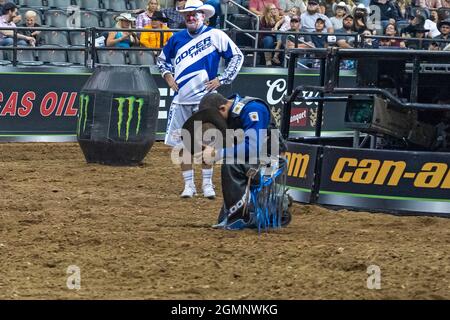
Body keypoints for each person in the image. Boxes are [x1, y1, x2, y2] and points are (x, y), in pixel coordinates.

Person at [157, 0, 244, 199]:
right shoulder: (176, 38)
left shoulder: (216, 35)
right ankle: (189, 184)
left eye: (195, 13)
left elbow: (237, 56)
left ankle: (207, 183)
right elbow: (161, 60)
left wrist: (222, 79)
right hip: (181, 100)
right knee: (182, 144)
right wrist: (168, 77)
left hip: (206, 102)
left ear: (203, 15)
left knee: (209, 142)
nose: (191, 16)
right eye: (187, 14)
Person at [181, 92, 291, 230]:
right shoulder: (234, 114)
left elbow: (252, 148)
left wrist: (217, 153)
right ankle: (242, 213)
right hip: (257, 161)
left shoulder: (253, 109)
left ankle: (245, 216)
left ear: (222, 108)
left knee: (231, 164)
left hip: (272, 163)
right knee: (231, 162)